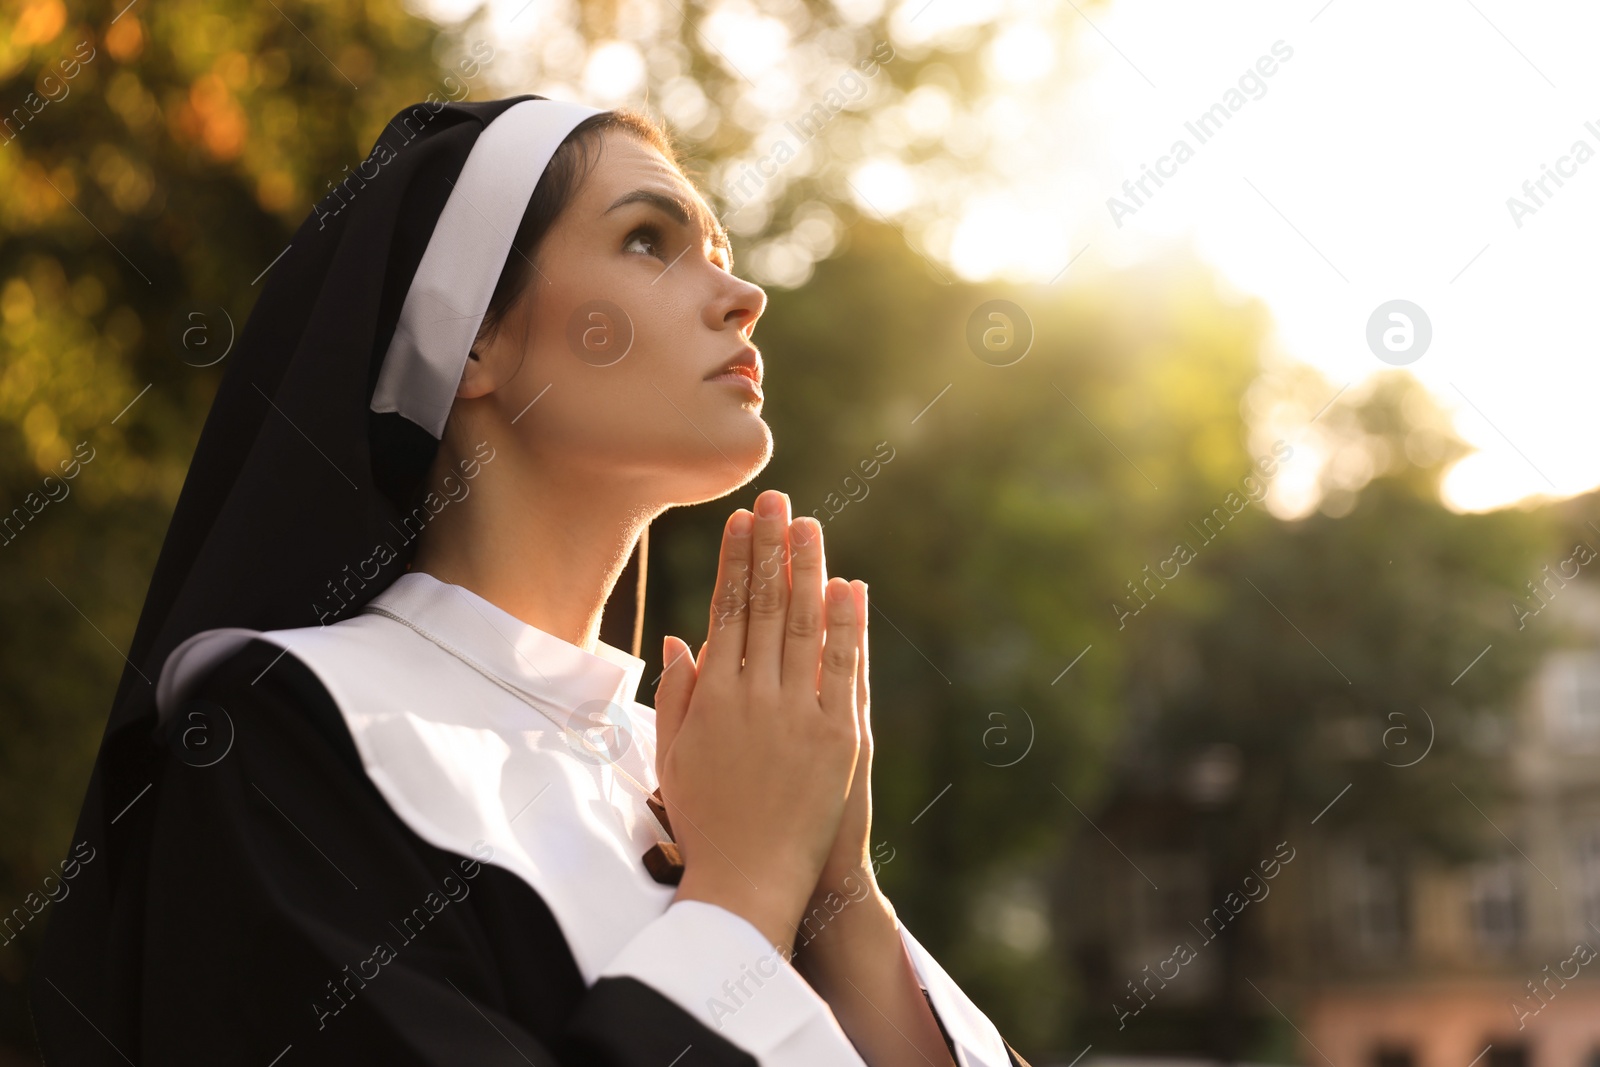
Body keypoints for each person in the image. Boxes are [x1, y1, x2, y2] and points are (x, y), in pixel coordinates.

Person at [31, 94, 1030, 1066]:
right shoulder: (282, 734)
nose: (742, 294)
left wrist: (834, 893)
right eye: (649, 239)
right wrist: (743, 890)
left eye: (722, 254)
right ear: (472, 338)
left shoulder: (692, 766)